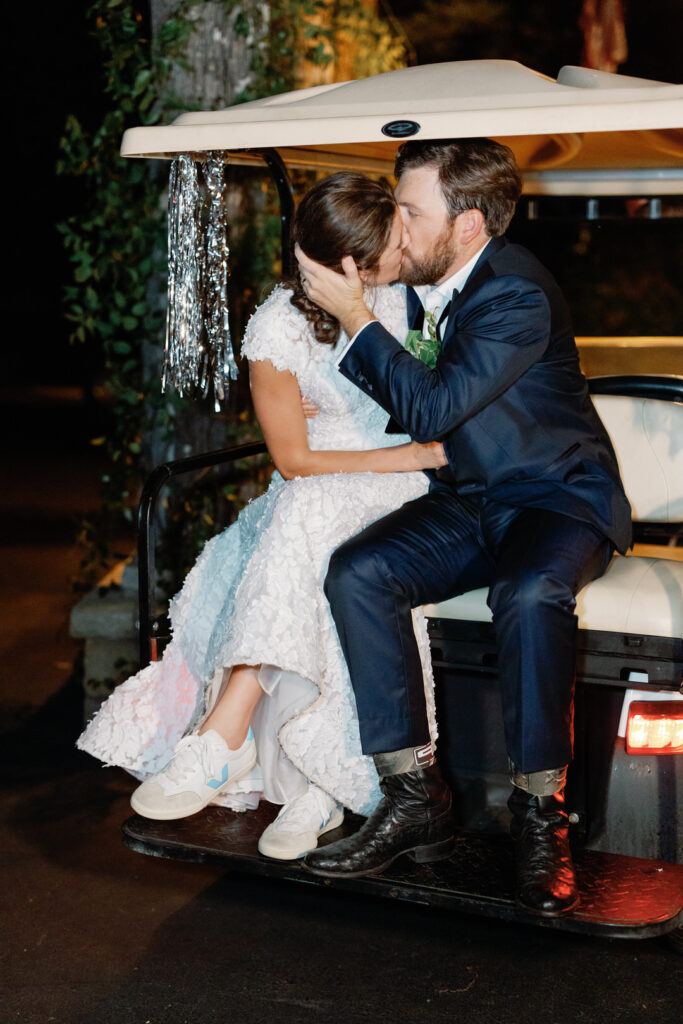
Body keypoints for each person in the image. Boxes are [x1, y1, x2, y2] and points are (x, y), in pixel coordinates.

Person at [296, 139, 632, 917]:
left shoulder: (515, 294)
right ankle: (411, 792)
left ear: (468, 225)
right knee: (359, 571)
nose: (397, 226)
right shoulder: (417, 280)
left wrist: (353, 318)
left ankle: (539, 816)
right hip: (471, 498)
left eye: (410, 212)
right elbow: (396, 390)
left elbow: (433, 408)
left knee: (527, 591)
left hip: (554, 496)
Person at [77, 171, 447, 862]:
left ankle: (227, 736)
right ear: (346, 266)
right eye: (391, 246)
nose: (405, 252)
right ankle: (318, 777)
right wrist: (402, 456)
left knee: (301, 528)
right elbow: (295, 463)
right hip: (336, 480)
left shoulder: (412, 297)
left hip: (397, 490)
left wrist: (408, 454)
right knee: (308, 522)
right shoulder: (277, 326)